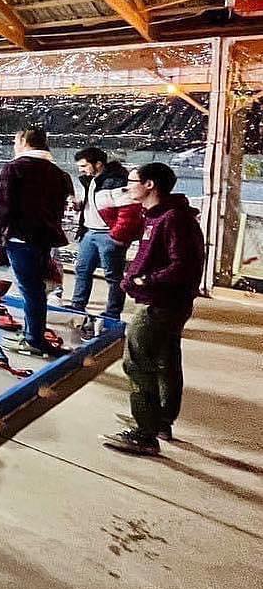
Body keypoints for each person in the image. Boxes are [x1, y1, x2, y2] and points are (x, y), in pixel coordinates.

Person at [102, 163, 205, 456]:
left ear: (150, 184)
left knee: (136, 362)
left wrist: (144, 280)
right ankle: (159, 421)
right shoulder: (157, 215)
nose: (127, 186)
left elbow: (183, 265)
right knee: (165, 360)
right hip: (165, 301)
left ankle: (144, 433)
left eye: (132, 181)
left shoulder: (173, 218)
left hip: (162, 303)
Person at [0, 127, 75, 357]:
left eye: (15, 141)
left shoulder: (15, 168)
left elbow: (2, 206)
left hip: (20, 238)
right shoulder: (58, 173)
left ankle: (34, 339)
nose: (14, 145)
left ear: (24, 140)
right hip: (44, 239)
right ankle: (33, 333)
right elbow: (59, 210)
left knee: (32, 290)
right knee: (35, 289)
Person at [70, 147, 131, 322]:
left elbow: (128, 211)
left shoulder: (116, 182)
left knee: (113, 276)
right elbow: (95, 204)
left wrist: (117, 236)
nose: (81, 170)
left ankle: (113, 313)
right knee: (82, 269)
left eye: (84, 166)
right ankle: (77, 305)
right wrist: (79, 205)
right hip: (90, 231)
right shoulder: (90, 181)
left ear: (98, 164)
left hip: (108, 234)